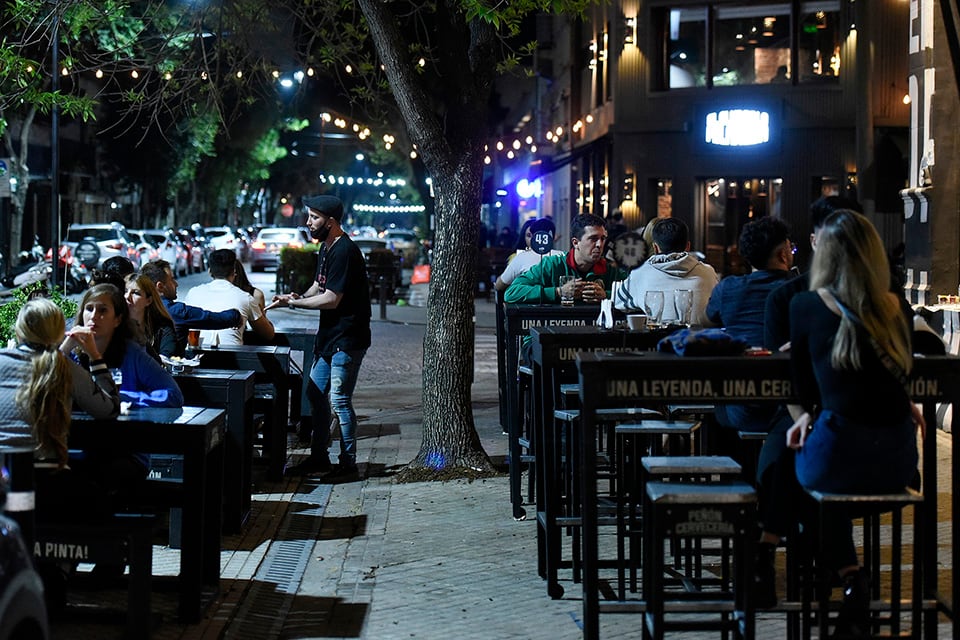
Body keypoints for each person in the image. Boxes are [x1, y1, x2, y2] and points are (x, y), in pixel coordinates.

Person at [785, 209, 923, 636]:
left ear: (823, 255)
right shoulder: (896, 307)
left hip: (839, 454)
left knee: (803, 485)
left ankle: (849, 577)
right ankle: (853, 581)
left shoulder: (805, 305)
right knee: (826, 475)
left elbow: (800, 389)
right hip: (899, 463)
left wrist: (804, 417)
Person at [270, 195, 371, 480]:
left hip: (347, 339)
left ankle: (348, 464)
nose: (308, 222)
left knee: (340, 401)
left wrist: (293, 304)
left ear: (331, 221)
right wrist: (297, 296)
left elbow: (331, 299)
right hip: (329, 337)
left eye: (314, 217)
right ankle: (318, 458)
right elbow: (318, 286)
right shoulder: (327, 248)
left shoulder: (345, 251)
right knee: (314, 393)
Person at [63, 284, 183, 490]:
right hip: (75, 446)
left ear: (118, 319)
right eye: (89, 309)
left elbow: (174, 395)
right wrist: (64, 349)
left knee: (94, 476)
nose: (94, 316)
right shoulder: (71, 354)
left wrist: (125, 397)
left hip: (125, 449)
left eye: (102, 310)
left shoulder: (132, 354)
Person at [0, 298, 120, 468]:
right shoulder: (65, 367)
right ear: (60, 331)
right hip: (44, 477)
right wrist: (95, 356)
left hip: (5, 474)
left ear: (19, 330)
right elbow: (108, 411)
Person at [705, 216, 795, 433]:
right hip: (790, 407)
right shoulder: (798, 289)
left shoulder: (728, 288)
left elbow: (706, 318)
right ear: (783, 254)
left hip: (740, 408)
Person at [503, 213, 627, 305]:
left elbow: (635, 294)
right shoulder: (552, 265)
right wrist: (558, 292)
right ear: (575, 242)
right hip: (552, 334)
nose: (600, 244)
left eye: (603, 239)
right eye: (593, 239)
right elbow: (511, 293)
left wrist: (606, 295)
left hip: (594, 334)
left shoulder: (610, 269)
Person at [613, 217, 718, 325]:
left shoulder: (640, 273)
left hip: (657, 340)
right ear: (688, 246)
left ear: (655, 247)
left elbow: (617, 302)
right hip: (700, 340)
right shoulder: (709, 273)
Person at [139, 259, 242, 355]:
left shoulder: (138, 308)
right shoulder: (176, 311)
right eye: (172, 279)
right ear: (160, 286)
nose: (176, 284)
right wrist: (235, 315)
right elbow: (210, 318)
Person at [183, 249, 275, 346]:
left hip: (195, 356)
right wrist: (262, 312)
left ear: (210, 272)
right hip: (232, 358)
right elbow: (268, 335)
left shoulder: (193, 293)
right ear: (234, 272)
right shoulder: (245, 297)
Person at [494, 218, 564, 292]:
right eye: (528, 235)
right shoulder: (563, 256)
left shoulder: (521, 257)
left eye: (531, 235)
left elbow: (499, 285)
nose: (530, 239)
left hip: (526, 301)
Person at [125, 272, 176, 357]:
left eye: (135, 293)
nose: (127, 296)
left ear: (148, 301)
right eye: (125, 291)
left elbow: (166, 359)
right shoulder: (115, 326)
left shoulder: (162, 328)